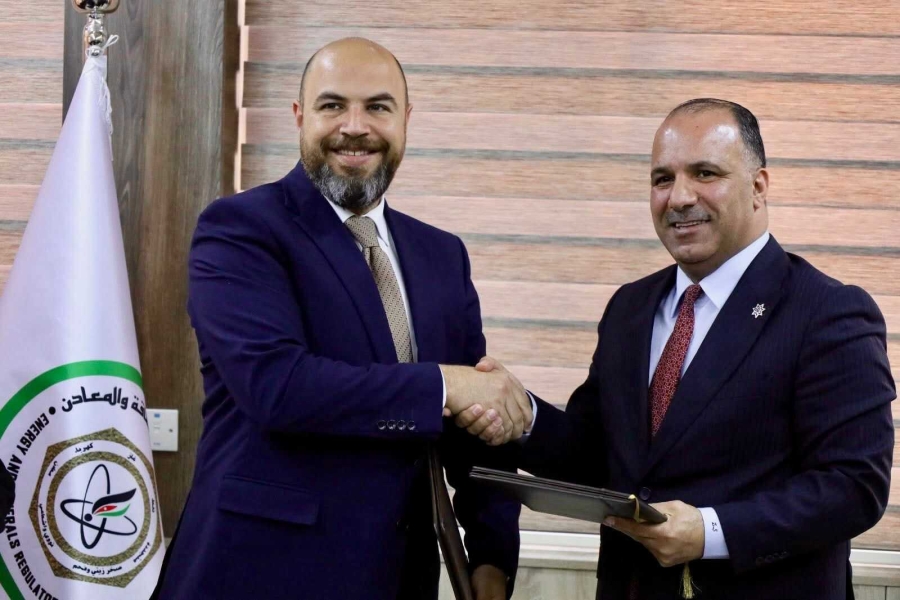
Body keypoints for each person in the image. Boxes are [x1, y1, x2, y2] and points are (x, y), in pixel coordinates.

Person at [462, 99, 895, 599]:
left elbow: (854, 486)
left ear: (758, 187)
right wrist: (522, 415)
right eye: (662, 179)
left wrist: (710, 532)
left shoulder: (827, 312)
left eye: (705, 173)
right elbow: (598, 456)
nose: (679, 197)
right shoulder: (630, 308)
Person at [153, 38, 532, 600]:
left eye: (378, 106)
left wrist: (492, 556)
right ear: (300, 116)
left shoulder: (441, 255)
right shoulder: (240, 229)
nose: (355, 127)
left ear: (406, 120)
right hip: (258, 575)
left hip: (399, 579)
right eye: (333, 105)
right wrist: (445, 384)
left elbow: (476, 424)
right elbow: (277, 386)